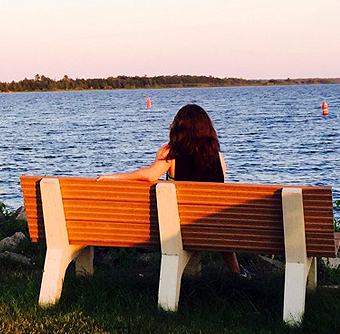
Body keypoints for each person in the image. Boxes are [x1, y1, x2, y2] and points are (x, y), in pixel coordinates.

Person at [97, 103, 249, 277]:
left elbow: (149, 175)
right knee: (217, 218)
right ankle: (238, 273)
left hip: (181, 228)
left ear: (178, 127)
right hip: (214, 229)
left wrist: (112, 177)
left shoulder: (170, 153)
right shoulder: (218, 157)